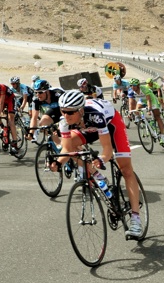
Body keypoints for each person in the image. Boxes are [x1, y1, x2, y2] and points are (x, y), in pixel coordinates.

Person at [56, 90, 144, 239]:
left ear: (80, 110)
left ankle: (136, 220)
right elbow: (66, 149)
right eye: (63, 111)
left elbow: (107, 149)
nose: (66, 115)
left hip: (111, 124)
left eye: (70, 112)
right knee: (71, 146)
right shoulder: (64, 121)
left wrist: (102, 159)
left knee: (126, 170)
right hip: (88, 127)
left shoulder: (95, 115)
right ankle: (97, 176)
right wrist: (57, 164)